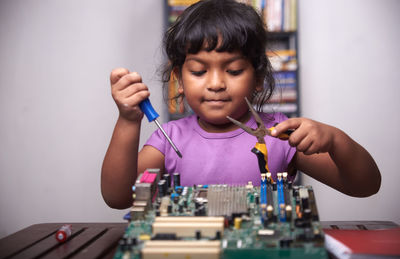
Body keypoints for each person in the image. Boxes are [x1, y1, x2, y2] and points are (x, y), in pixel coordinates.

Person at [101, 0, 381, 209]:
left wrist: (335, 139)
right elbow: (118, 197)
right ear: (179, 80)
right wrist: (128, 120)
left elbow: (365, 186)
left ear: (258, 77)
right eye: (199, 71)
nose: (216, 83)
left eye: (233, 71)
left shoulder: (281, 136)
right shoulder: (168, 138)